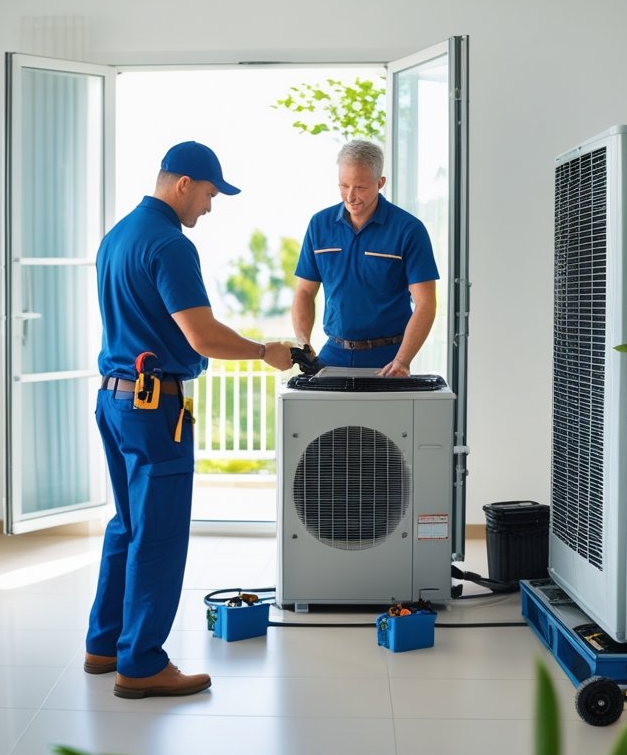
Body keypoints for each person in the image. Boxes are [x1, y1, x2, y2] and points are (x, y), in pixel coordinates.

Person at [85, 141, 294, 699]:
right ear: (182, 184)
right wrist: (262, 351)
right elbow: (200, 335)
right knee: (159, 533)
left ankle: (104, 645)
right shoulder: (169, 245)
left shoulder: (118, 236)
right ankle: (142, 663)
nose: (209, 206)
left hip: (114, 398)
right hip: (155, 409)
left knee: (126, 524)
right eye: (208, 193)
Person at [291, 139, 439, 377]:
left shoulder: (409, 230)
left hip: (388, 359)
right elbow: (305, 292)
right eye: (343, 185)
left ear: (380, 183)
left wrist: (402, 360)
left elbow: (426, 303)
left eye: (360, 187)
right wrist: (304, 344)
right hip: (333, 355)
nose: (350, 196)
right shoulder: (319, 225)